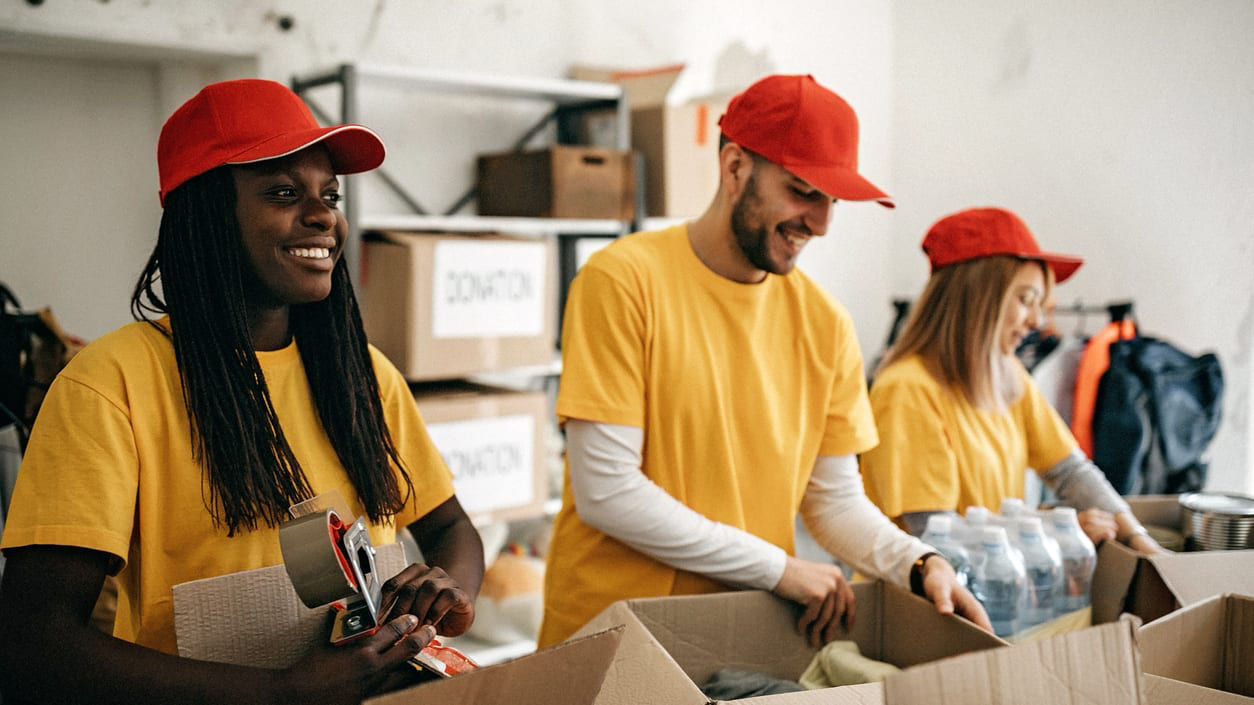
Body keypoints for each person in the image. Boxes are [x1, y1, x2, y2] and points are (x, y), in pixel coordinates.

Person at [0, 79, 484, 704]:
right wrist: (284, 694)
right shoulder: (111, 382)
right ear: (205, 215)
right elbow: (32, 642)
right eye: (283, 193)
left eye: (329, 195)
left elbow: (452, 526)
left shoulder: (362, 374)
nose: (323, 216)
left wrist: (446, 589)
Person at [538, 74, 990, 649]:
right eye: (803, 191)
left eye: (832, 202)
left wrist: (919, 563)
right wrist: (780, 569)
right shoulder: (623, 281)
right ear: (733, 169)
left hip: (738, 636)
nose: (821, 224)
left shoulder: (825, 324)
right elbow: (608, 492)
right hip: (611, 636)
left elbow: (833, 501)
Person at [859, 207, 1160, 553]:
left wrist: (1139, 538)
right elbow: (932, 534)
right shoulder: (907, 390)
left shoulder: (1007, 375)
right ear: (975, 297)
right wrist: (1058, 530)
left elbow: (1070, 471)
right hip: (916, 601)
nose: (1037, 321)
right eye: (1025, 300)